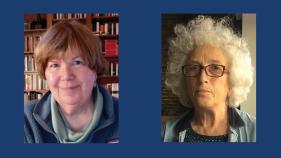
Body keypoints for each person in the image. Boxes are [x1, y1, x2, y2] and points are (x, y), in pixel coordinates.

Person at [162, 15, 256, 142]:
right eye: (194, 67)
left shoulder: (256, 131)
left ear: (233, 80)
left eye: (215, 67)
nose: (202, 78)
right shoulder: (163, 134)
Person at [24, 21, 118, 143]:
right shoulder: (25, 120)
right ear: (45, 73)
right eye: (55, 65)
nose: (66, 75)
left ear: (95, 69)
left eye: (77, 62)